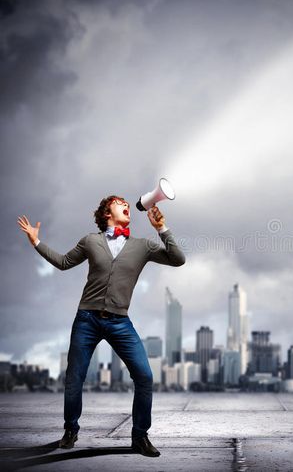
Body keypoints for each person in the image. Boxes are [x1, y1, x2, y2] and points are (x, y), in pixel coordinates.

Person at [17, 196, 185, 457]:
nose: (127, 205)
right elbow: (63, 263)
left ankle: (139, 437)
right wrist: (36, 241)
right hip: (87, 320)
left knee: (145, 377)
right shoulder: (90, 241)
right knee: (74, 378)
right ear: (108, 212)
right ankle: (70, 430)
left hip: (120, 322)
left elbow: (178, 259)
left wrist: (161, 228)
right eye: (120, 203)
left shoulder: (142, 246)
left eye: (128, 203)